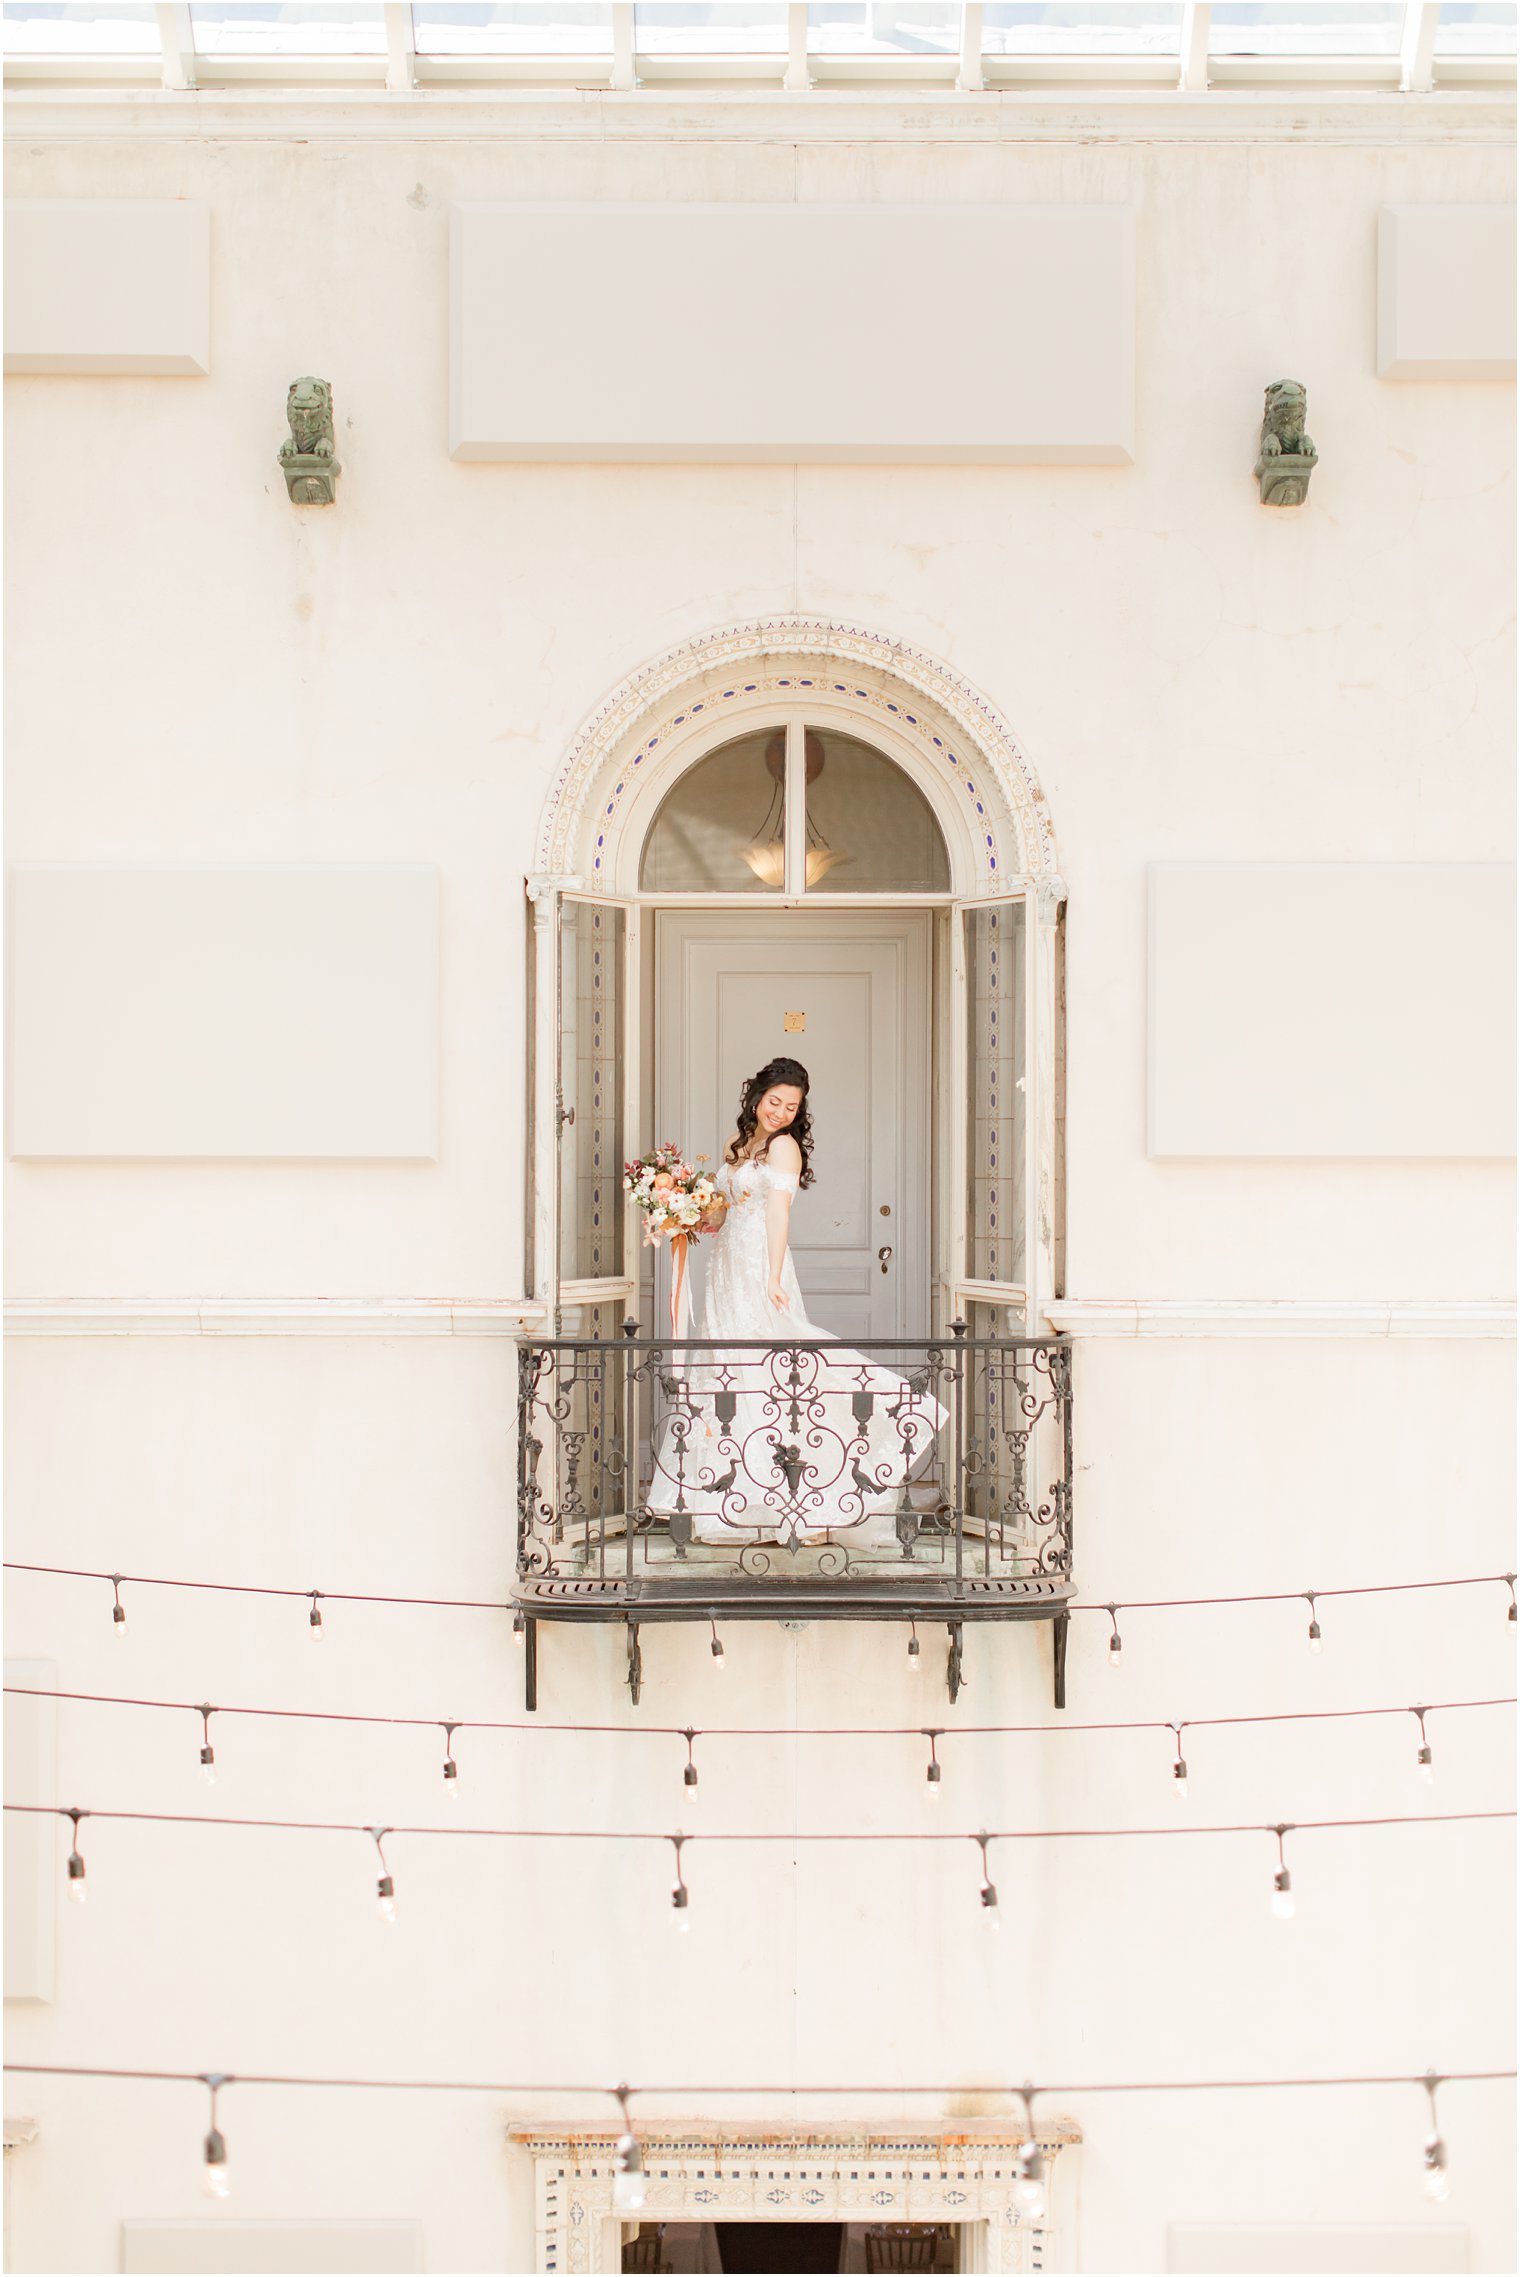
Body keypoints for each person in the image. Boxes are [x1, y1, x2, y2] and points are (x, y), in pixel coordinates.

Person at [644, 1058, 946, 1549]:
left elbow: (778, 1215)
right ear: (757, 1096)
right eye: (774, 1102)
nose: (781, 1113)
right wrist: (683, 1214)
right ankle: (737, 1502)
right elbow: (724, 1212)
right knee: (727, 1366)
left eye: (792, 1107)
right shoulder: (737, 1144)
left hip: (760, 1266)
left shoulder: (784, 1149)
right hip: (724, 1268)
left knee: (775, 1368)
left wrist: (772, 1275)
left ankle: (798, 1502)